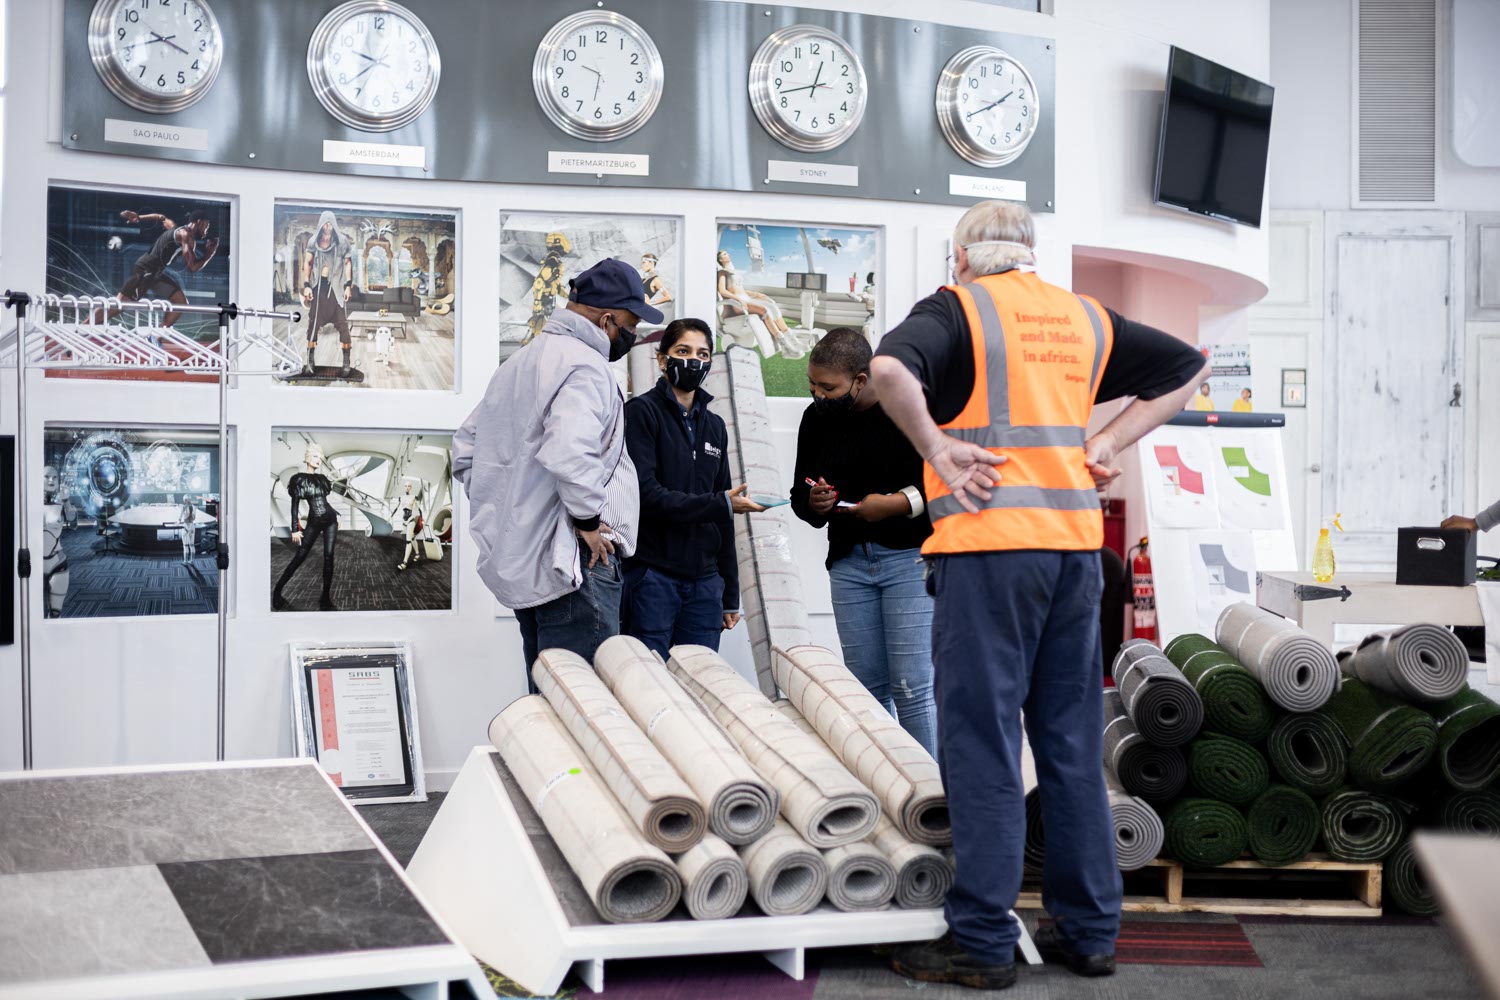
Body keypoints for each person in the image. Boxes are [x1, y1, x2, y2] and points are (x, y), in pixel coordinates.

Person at [876, 200, 1209, 990]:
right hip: (1075, 555)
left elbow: (888, 370)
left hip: (991, 553)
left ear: (961, 257)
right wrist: (1107, 442)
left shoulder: (955, 311)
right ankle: (1090, 933)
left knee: (983, 742)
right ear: (1028, 255)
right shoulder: (1082, 319)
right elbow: (1189, 367)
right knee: (1068, 741)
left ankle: (983, 941)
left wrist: (935, 446)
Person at [454, 258, 659, 683]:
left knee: (549, 711)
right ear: (607, 320)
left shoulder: (520, 362)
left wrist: (514, 506)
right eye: (630, 324)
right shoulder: (586, 367)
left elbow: (465, 450)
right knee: (584, 714)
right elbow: (569, 450)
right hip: (573, 565)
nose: (632, 335)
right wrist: (585, 522)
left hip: (528, 564)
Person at [790, 327, 938, 757]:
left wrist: (894, 504)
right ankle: (892, 789)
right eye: (812, 385)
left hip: (909, 560)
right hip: (849, 564)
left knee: (912, 687)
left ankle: (932, 799)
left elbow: (944, 481)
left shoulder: (909, 409)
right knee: (866, 691)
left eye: (828, 387)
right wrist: (814, 502)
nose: (818, 394)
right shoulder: (815, 420)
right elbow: (800, 494)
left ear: (860, 379)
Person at [622, 318, 762, 658]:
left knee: (700, 688)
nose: (693, 361)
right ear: (661, 358)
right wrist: (718, 503)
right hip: (652, 579)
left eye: (702, 354)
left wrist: (729, 593)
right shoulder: (641, 413)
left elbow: (724, 516)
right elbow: (646, 495)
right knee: (647, 687)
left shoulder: (714, 426)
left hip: (704, 586)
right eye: (682, 351)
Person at [101, 209, 219, 327]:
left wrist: (139, 217)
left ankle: (157, 335)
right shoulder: (186, 236)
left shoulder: (175, 228)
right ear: (199, 222)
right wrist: (209, 254)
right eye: (207, 225)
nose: (207, 229)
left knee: (180, 302)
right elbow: (192, 267)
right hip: (146, 271)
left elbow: (160, 217)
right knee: (120, 305)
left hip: (155, 273)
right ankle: (86, 325)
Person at [273, 443, 341, 611]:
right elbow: (294, 506)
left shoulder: (322, 480)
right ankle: (277, 591)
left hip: (331, 520)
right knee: (300, 557)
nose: (319, 460)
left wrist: (336, 515)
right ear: (308, 458)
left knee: (329, 557)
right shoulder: (299, 479)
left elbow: (324, 502)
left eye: (320, 457)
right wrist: (295, 529)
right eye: (315, 457)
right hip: (314, 522)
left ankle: (325, 598)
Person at [301, 211, 355, 378]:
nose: (327, 227)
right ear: (321, 224)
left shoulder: (342, 241)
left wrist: (348, 285)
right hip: (318, 289)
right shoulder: (313, 241)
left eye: (330, 223)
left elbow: (347, 263)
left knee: (343, 326)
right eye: (325, 223)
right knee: (312, 325)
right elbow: (308, 263)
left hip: (337, 289)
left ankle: (346, 363)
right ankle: (310, 362)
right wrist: (307, 286)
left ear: (334, 224)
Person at [717, 249, 791, 337]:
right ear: (721, 260)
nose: (728, 254)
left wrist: (756, 294)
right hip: (738, 303)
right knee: (765, 310)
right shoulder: (722, 272)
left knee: (773, 307)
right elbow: (722, 290)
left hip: (747, 298)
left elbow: (741, 289)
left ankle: (791, 338)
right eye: (725, 254)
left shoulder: (734, 272)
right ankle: (783, 342)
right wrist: (738, 299)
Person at [640, 252, 674, 326]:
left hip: (645, 315)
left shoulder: (656, 280)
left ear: (651, 263)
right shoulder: (643, 279)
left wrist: (651, 303)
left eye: (644, 262)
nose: (642, 265)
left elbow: (668, 297)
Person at [397, 481, 424, 571]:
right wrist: (390, 517)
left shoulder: (414, 497)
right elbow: (397, 508)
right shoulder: (401, 497)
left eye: (409, 486)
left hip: (412, 518)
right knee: (412, 538)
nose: (407, 487)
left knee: (408, 541)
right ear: (404, 487)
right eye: (406, 486)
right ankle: (417, 554)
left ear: (411, 487)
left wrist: (422, 520)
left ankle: (404, 563)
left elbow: (419, 510)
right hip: (404, 519)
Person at [179, 496, 197, 565]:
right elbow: (194, 518)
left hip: (186, 526)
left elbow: (180, 518)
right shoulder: (194, 507)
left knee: (186, 545)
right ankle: (191, 561)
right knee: (191, 545)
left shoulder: (184, 507)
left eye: (185, 500)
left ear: (185, 500)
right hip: (192, 527)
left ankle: (186, 561)